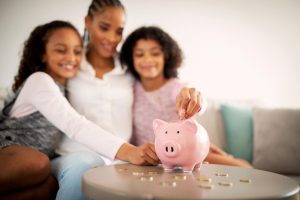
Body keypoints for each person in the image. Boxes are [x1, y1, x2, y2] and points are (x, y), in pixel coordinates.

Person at [0, 20, 160, 200]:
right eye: (61, 50)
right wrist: (131, 152)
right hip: (9, 150)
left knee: (48, 187)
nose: (71, 58)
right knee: (38, 164)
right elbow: (75, 124)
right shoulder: (40, 80)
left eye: (77, 52)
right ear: (42, 54)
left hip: (42, 161)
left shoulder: (64, 85)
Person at [119, 26, 252, 168]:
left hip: (185, 155)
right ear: (131, 59)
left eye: (155, 53)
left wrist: (194, 99)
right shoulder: (129, 88)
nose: (147, 59)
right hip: (148, 158)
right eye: (139, 54)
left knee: (242, 167)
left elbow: (198, 103)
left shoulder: (176, 87)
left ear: (166, 56)